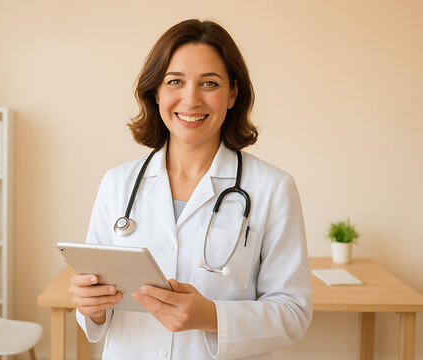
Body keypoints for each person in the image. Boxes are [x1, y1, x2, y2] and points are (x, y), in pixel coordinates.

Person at [69, 19, 312, 360]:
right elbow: (96, 310)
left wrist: (212, 317)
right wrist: (91, 306)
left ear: (232, 94)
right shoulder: (117, 184)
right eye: (175, 82)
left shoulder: (272, 188)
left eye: (209, 83)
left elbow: (293, 313)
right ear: (156, 93)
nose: (191, 99)